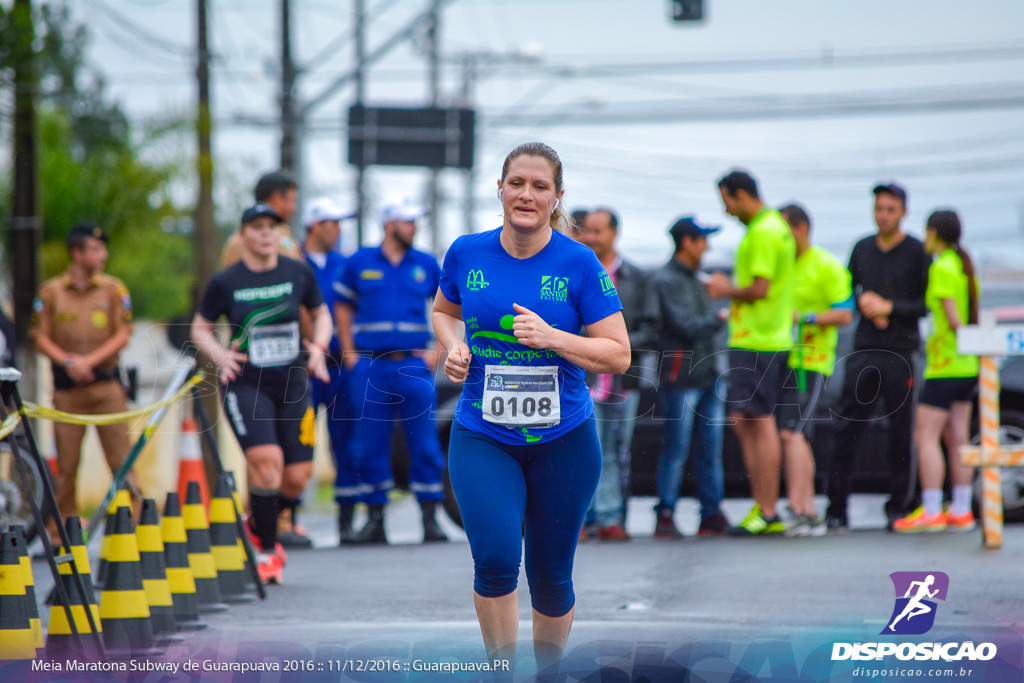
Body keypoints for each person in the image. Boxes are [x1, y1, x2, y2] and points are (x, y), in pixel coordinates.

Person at [432, 142, 630, 673]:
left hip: (563, 439)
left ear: (557, 197)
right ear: (499, 188)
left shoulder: (579, 263)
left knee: (549, 575)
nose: (526, 194)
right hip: (483, 433)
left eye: (540, 186)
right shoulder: (466, 252)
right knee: (495, 559)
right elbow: (443, 310)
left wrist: (554, 337)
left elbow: (618, 355)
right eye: (516, 182)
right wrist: (454, 346)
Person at [191, 204, 332, 584]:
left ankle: (258, 519)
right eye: (257, 227)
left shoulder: (298, 272)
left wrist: (319, 347)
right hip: (246, 382)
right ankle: (269, 550)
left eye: (272, 227)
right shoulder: (226, 281)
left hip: (292, 381)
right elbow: (200, 327)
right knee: (267, 463)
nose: (266, 233)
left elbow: (321, 314)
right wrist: (220, 356)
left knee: (296, 476)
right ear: (244, 235)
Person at [335, 196, 448, 545]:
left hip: (414, 365)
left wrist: (439, 350)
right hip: (371, 365)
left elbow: (448, 304)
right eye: (407, 221)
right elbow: (342, 305)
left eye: (415, 222)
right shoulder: (360, 262)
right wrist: (349, 352)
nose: (413, 227)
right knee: (369, 443)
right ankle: (375, 519)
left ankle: (430, 518)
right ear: (389, 223)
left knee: (425, 442)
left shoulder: (426, 263)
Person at [825, 183, 930, 531]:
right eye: (879, 208)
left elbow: (925, 305)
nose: (883, 215)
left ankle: (900, 506)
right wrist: (866, 306)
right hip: (864, 350)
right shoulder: (862, 248)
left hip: (901, 352)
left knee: (901, 432)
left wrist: (890, 308)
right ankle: (837, 508)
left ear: (903, 212)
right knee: (847, 429)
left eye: (890, 209)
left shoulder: (917, 251)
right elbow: (847, 292)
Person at [31, 223, 137, 545]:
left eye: (103, 249)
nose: (102, 255)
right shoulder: (51, 292)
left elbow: (123, 334)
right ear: (76, 253)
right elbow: (39, 336)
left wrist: (89, 362)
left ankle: (134, 529)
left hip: (106, 389)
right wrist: (68, 361)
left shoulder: (113, 289)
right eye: (95, 249)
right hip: (67, 393)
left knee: (123, 462)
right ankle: (61, 533)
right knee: (66, 467)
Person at [707, 170, 795, 536]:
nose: (727, 211)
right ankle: (764, 507)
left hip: (758, 340)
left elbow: (760, 289)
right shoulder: (774, 227)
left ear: (740, 195)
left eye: (726, 201)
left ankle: (768, 510)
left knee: (759, 422)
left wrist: (726, 289)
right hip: (762, 338)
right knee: (746, 421)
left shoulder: (763, 231)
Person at [894, 209, 979, 533]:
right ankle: (960, 508)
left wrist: (960, 334)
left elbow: (954, 318)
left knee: (925, 436)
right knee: (957, 435)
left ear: (933, 233)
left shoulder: (942, 266)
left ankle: (930, 509)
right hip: (967, 364)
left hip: (945, 365)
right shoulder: (963, 265)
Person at [647, 216, 729, 539]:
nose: (707, 247)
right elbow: (687, 326)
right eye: (702, 240)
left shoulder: (696, 278)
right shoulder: (666, 280)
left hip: (708, 375)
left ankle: (712, 514)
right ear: (687, 243)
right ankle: (665, 514)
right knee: (677, 448)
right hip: (680, 378)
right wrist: (719, 316)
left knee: (711, 449)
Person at [577, 208, 655, 541]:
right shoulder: (576, 271)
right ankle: (582, 519)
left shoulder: (637, 277)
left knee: (617, 454)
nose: (592, 238)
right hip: (583, 380)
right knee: (584, 451)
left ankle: (611, 518)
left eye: (598, 231)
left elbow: (652, 329)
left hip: (625, 379)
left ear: (614, 233)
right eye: (587, 231)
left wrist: (612, 346)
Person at [777, 204, 854, 537]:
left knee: (791, 433)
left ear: (801, 228)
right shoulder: (782, 264)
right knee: (798, 436)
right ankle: (806, 508)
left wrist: (805, 317)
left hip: (812, 361)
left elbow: (845, 314)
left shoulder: (826, 265)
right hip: (783, 359)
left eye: (785, 232)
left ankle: (800, 508)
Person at [301, 197, 361, 545]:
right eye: (330, 223)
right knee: (300, 440)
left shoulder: (346, 263)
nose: (337, 229)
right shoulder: (293, 259)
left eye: (340, 223)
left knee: (347, 443)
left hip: (339, 366)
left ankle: (346, 520)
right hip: (304, 366)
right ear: (314, 225)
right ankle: (287, 517)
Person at [221, 171, 304, 267]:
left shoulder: (284, 232)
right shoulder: (240, 243)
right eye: (292, 200)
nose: (294, 207)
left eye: (272, 227)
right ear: (277, 198)